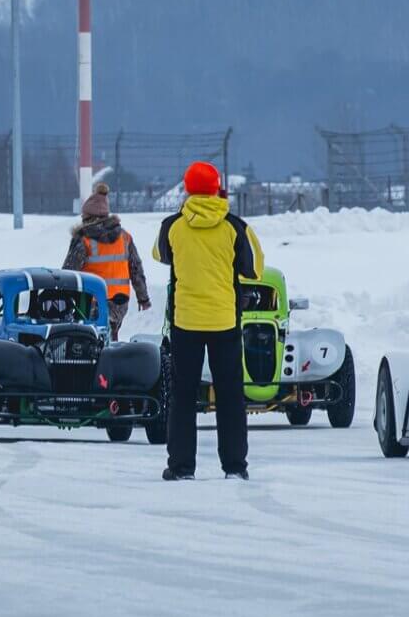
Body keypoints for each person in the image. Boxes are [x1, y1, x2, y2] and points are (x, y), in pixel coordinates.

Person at [152, 162, 264, 481]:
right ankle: (234, 467)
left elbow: (160, 254)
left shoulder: (172, 225)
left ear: (186, 189)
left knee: (183, 395)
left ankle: (181, 466)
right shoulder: (235, 226)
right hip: (224, 320)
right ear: (218, 188)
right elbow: (254, 268)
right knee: (230, 394)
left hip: (186, 322)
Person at [62, 181, 153, 340]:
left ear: (89, 218)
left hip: (90, 303)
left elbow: (68, 274)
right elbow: (136, 269)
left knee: (90, 340)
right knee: (111, 335)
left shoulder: (84, 240)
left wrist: (61, 299)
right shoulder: (124, 237)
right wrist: (143, 298)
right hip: (119, 302)